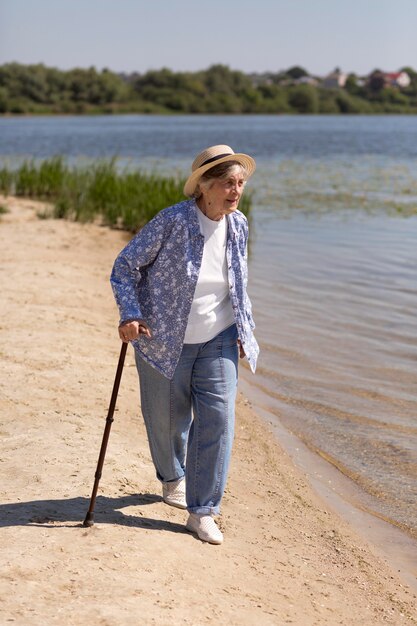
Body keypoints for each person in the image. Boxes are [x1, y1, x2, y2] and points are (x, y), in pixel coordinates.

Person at [110, 144, 259, 544]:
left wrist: (244, 329)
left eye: (240, 183)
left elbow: (238, 283)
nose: (235, 190)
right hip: (163, 340)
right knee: (167, 421)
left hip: (219, 338)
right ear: (204, 186)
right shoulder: (172, 222)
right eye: (227, 183)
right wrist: (130, 314)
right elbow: (125, 267)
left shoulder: (239, 224)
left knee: (218, 421)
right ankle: (172, 476)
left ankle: (203, 510)